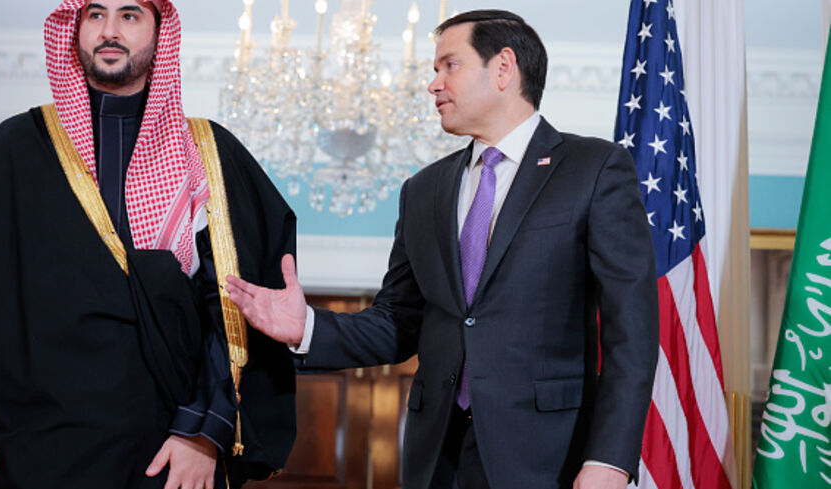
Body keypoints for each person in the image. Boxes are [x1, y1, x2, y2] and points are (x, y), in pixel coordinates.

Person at [225, 9, 659, 489]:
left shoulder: (594, 168)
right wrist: (305, 326)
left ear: (503, 68)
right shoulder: (424, 189)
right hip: (436, 456)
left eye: (448, 66)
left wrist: (610, 460)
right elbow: (398, 321)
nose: (434, 84)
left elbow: (631, 333)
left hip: (550, 457)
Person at [0, 1, 296, 488]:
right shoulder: (13, 150)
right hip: (25, 451)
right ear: (74, 30)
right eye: (95, 15)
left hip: (165, 453)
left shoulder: (207, 155)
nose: (109, 31)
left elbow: (240, 307)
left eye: (130, 15)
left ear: (160, 33)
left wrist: (203, 434)